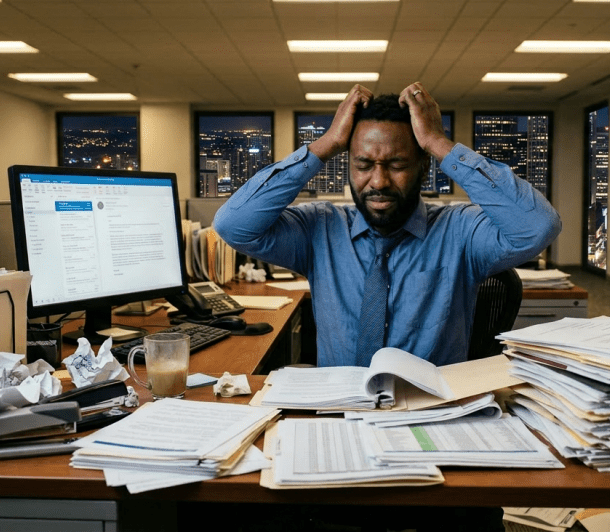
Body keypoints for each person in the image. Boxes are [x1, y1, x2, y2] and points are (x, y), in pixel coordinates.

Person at [213, 82, 561, 368]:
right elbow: (233, 225)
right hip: (341, 412)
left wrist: (439, 143)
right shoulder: (319, 229)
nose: (378, 181)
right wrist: (326, 144)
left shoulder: (459, 231)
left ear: (424, 167)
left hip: (430, 413)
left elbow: (537, 226)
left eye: (396, 164)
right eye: (363, 164)